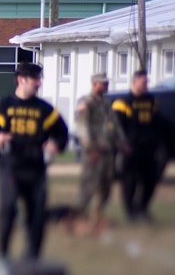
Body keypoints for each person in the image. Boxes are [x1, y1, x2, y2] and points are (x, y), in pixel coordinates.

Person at [0, 63, 68, 275]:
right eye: (34, 78)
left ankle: (32, 259)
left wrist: (55, 144)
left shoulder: (45, 110)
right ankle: (3, 258)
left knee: (36, 215)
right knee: (8, 209)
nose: (39, 82)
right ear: (21, 79)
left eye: (40, 78)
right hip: (12, 168)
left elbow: (62, 133)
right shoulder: (4, 106)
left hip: (36, 170)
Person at [69, 73, 127, 234]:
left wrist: (122, 142)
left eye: (107, 83)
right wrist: (90, 147)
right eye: (103, 83)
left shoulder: (106, 104)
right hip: (94, 151)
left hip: (107, 151)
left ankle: (97, 216)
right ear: (94, 84)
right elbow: (82, 126)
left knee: (105, 185)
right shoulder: (86, 103)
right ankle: (78, 216)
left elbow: (114, 124)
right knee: (89, 184)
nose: (106, 86)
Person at [112, 69, 166, 223]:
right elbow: (117, 128)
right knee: (130, 181)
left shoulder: (152, 101)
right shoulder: (122, 103)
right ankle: (131, 213)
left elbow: (157, 124)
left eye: (147, 82)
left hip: (149, 149)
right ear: (134, 82)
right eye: (143, 82)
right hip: (131, 149)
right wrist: (123, 145)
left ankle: (142, 208)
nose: (146, 85)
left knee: (150, 180)